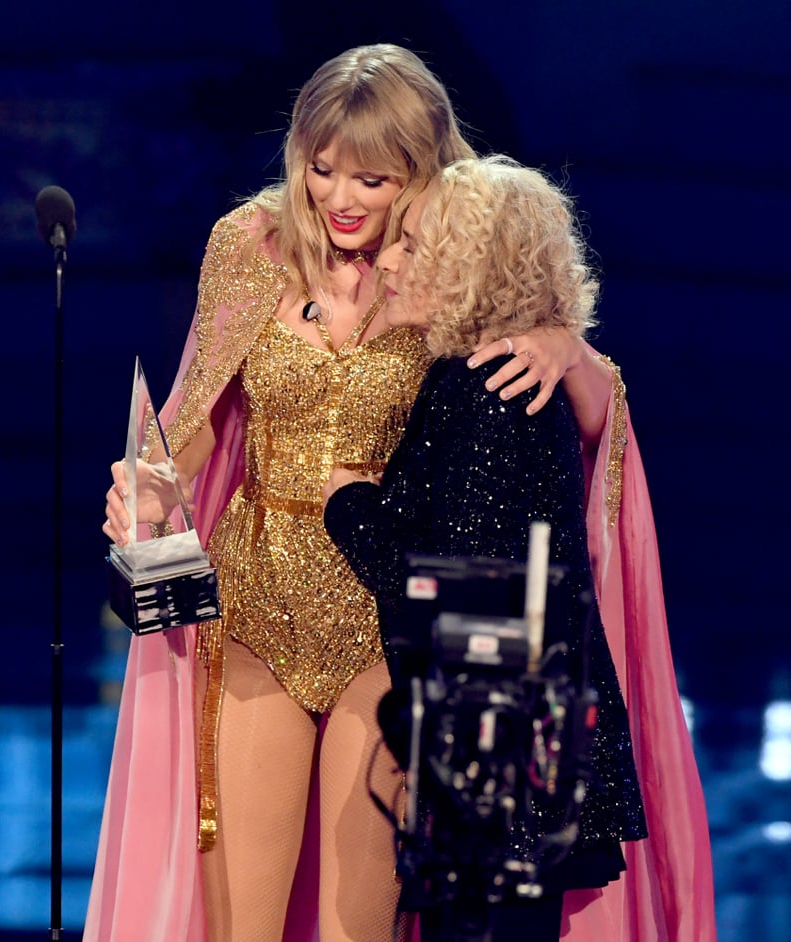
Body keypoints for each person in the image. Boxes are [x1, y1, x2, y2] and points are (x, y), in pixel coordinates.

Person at [86, 45, 603, 942]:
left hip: (387, 623)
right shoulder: (249, 245)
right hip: (257, 608)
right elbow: (196, 413)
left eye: (372, 177)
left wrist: (569, 348)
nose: (340, 198)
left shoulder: (453, 257)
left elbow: (584, 411)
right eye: (320, 169)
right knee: (240, 922)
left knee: (353, 928)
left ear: (423, 173)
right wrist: (151, 482)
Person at [324, 157, 717, 942]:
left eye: (414, 246)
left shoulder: (486, 391)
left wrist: (349, 504)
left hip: (500, 781)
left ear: (470, 270)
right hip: (510, 768)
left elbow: (465, 601)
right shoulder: (488, 379)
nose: (388, 262)